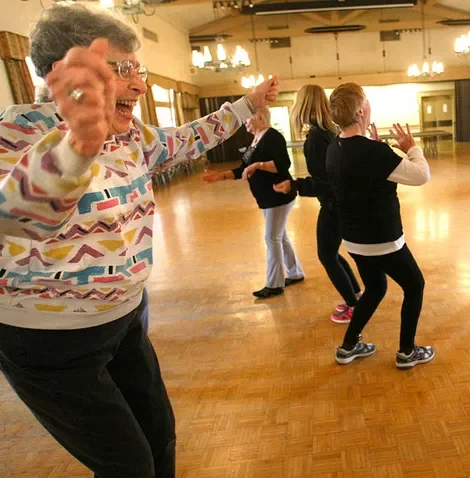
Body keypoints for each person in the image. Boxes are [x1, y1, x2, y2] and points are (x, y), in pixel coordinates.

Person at [0, 4, 278, 476]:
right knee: (129, 466)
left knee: (159, 438)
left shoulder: (130, 136)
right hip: (47, 340)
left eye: (138, 70)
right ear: (66, 72)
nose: (140, 86)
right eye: (122, 69)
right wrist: (76, 144)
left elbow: (186, 139)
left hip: (123, 317)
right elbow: (19, 216)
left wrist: (247, 104)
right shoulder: (16, 133)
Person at [326, 82, 434, 369]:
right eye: (367, 101)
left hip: (353, 240)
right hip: (383, 241)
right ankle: (407, 352)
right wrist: (412, 148)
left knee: (375, 288)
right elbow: (421, 176)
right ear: (361, 112)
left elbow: (361, 170)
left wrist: (376, 148)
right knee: (415, 285)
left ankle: (348, 346)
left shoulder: (334, 148)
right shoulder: (374, 153)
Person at [273, 85, 361, 322]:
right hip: (339, 203)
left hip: (333, 205)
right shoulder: (328, 132)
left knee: (327, 255)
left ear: (302, 105)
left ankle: (354, 305)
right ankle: (355, 296)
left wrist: (295, 185)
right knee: (331, 253)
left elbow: (326, 183)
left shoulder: (315, 138)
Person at [202, 108, 303, 298]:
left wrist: (258, 165)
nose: (245, 122)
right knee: (279, 236)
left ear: (260, 117)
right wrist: (221, 176)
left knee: (272, 238)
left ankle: (274, 284)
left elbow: (283, 164)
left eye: (247, 118)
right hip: (267, 199)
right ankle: (295, 272)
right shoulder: (256, 140)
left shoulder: (273, 137)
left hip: (278, 196)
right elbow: (243, 168)